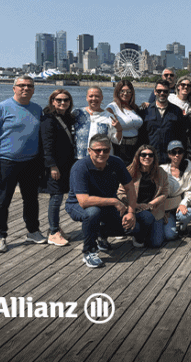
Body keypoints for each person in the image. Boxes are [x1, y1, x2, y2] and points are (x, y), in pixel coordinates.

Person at [65, 134, 152, 268]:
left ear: (110, 150)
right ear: (89, 151)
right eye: (97, 150)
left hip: (107, 205)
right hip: (78, 205)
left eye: (105, 150)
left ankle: (102, 234)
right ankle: (89, 251)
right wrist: (114, 201)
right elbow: (84, 201)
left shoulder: (116, 162)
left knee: (136, 224)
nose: (102, 153)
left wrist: (131, 213)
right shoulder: (80, 167)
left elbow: (130, 188)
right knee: (93, 212)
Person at [0, 75, 46, 253]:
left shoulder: (37, 109)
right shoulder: (1, 108)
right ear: (14, 88)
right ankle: (0, 237)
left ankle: (33, 231)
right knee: (2, 201)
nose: (25, 88)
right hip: (6, 162)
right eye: (21, 85)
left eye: (29, 86)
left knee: (31, 200)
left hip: (31, 162)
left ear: (33, 90)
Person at [40, 89, 76, 247]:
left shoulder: (67, 118)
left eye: (66, 100)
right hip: (55, 166)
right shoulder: (48, 119)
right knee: (56, 197)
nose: (63, 102)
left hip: (65, 164)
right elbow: (46, 145)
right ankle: (53, 232)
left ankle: (55, 228)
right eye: (59, 100)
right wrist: (52, 166)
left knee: (59, 196)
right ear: (52, 101)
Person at [115, 145, 168, 248]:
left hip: (153, 209)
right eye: (143, 155)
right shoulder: (129, 171)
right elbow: (120, 193)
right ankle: (137, 236)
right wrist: (135, 205)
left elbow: (164, 192)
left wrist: (150, 204)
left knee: (156, 243)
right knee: (145, 217)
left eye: (150, 155)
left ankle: (143, 232)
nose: (147, 157)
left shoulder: (160, 172)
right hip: (133, 209)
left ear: (154, 157)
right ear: (138, 156)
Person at [139, 80, 191, 164]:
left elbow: (182, 136)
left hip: (171, 159)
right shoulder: (145, 111)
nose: (162, 93)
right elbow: (141, 136)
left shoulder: (177, 111)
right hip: (150, 158)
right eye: (159, 91)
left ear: (169, 93)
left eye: (165, 91)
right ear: (155, 92)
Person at [161, 141, 191, 238]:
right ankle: (171, 224)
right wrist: (162, 210)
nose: (177, 155)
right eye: (173, 152)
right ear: (169, 154)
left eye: (180, 152)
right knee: (170, 236)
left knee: (186, 214)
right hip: (167, 207)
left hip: (182, 202)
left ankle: (183, 226)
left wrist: (183, 204)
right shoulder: (162, 169)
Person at [72, 86, 122, 159]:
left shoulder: (109, 116)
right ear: (86, 98)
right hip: (79, 157)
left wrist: (119, 130)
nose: (94, 99)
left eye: (97, 96)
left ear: (102, 98)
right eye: (91, 96)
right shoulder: (77, 113)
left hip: (101, 159)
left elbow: (116, 140)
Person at [106, 80, 143, 164]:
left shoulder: (134, 108)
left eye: (128, 91)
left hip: (136, 146)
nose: (125, 94)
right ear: (117, 92)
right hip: (120, 147)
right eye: (122, 91)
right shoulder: (112, 107)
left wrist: (147, 104)